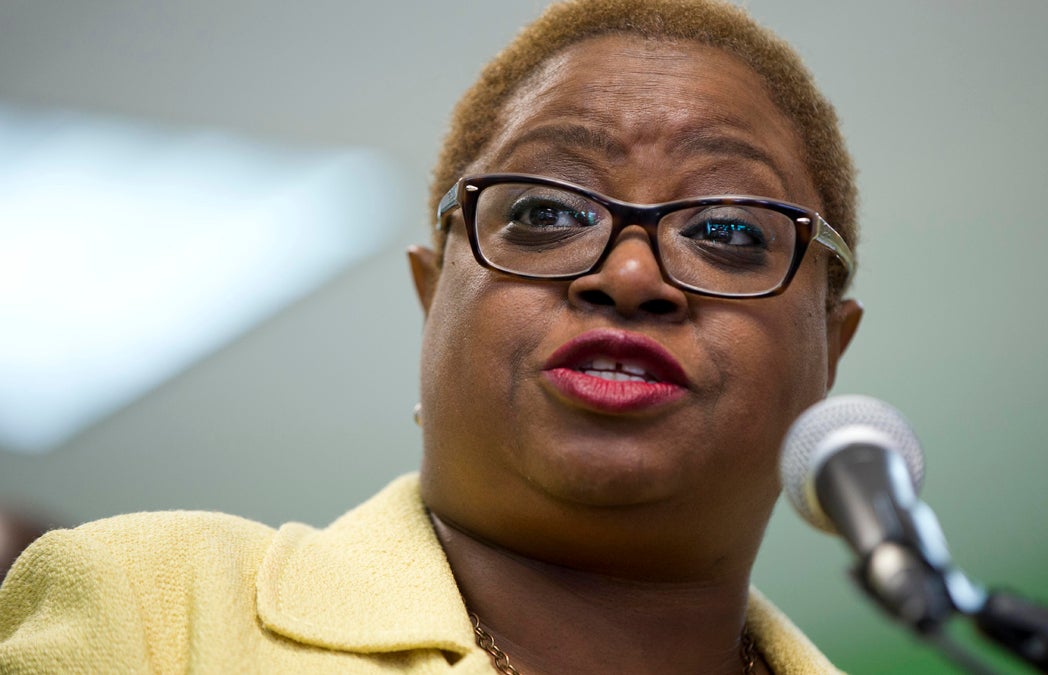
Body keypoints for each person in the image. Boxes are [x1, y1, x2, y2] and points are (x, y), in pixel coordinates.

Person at [0, 0, 862, 672]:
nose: (630, 277)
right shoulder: (157, 615)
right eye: (546, 211)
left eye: (726, 230)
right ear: (431, 296)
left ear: (830, 353)